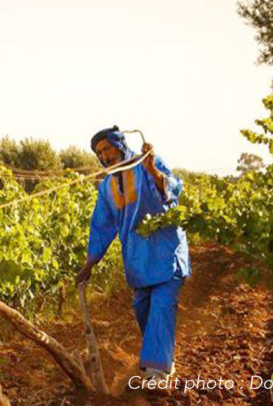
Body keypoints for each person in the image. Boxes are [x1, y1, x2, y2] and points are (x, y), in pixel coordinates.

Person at [75, 126, 191, 383]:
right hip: (138, 261)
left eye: (107, 148)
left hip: (166, 252)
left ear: (119, 144)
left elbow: (173, 190)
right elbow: (102, 227)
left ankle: (157, 373)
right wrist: (90, 263)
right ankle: (161, 359)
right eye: (99, 152)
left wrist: (152, 169)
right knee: (143, 310)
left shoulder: (147, 164)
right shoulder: (106, 187)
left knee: (161, 307)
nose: (104, 155)